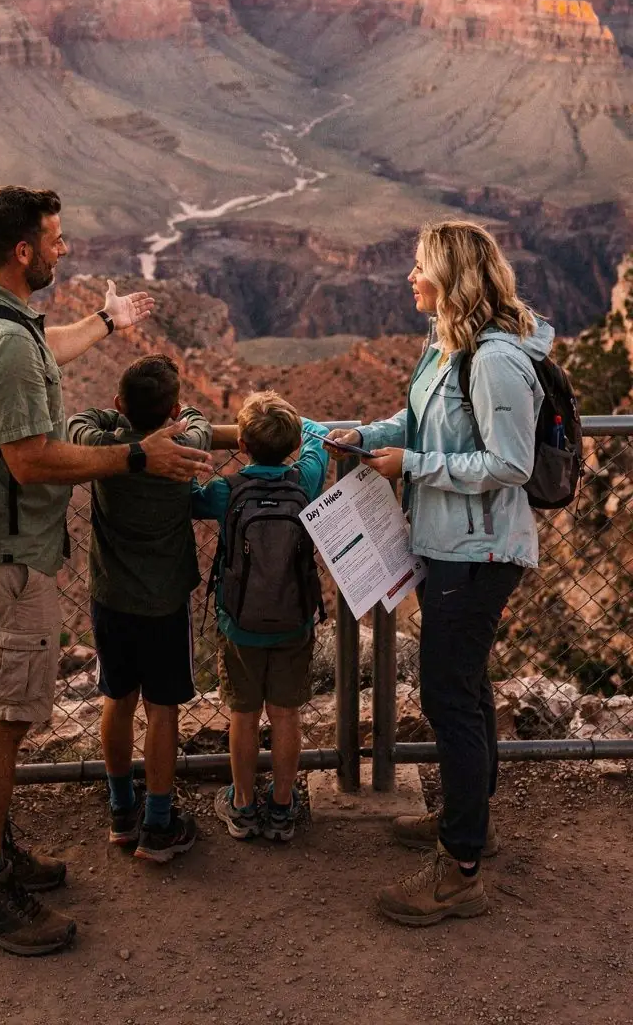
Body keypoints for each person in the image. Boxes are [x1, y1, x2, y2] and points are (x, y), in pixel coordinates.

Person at [0, 186, 211, 956]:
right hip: (6, 556)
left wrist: (104, 321)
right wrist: (137, 454)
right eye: (55, 240)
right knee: (4, 719)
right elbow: (31, 461)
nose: (64, 249)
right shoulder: (2, 344)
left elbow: (42, 348)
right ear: (23, 249)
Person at [328, 219, 553, 927]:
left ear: (450, 277)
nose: (409, 279)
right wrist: (372, 435)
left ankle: (459, 870)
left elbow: (510, 463)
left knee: (447, 696)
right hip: (449, 547)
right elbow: (421, 419)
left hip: (479, 554)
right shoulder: (447, 348)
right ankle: (469, 820)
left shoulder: (493, 362)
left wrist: (414, 467)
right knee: (465, 686)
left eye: (420, 268)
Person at [67, 354, 235, 863]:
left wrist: (121, 420)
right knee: (163, 710)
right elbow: (203, 424)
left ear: (121, 404)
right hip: (164, 604)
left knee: (116, 699)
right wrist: (181, 418)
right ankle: (159, 825)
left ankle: (122, 811)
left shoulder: (108, 448)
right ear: (174, 409)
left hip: (111, 598)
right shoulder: (184, 444)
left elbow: (78, 422)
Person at [193, 391, 329, 844]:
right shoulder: (304, 480)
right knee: (286, 714)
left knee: (244, 715)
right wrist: (295, 424)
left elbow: (191, 499)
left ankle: (244, 804)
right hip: (294, 621)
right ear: (289, 444)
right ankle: (284, 805)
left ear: (243, 445)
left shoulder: (227, 490)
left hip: (240, 624)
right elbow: (319, 436)